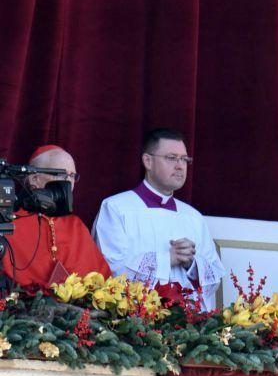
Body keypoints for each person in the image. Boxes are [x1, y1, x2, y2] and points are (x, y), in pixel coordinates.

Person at [92, 128, 225, 311]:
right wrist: (166, 259)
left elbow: (215, 278)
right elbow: (110, 268)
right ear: (148, 161)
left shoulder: (193, 217)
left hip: (188, 324)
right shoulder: (116, 208)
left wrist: (191, 263)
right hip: (135, 324)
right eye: (171, 158)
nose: (180, 166)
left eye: (184, 159)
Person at [2, 145, 111, 287]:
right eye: (60, 174)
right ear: (34, 179)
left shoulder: (76, 225)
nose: (69, 182)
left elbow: (102, 282)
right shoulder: (9, 223)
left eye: (72, 176)